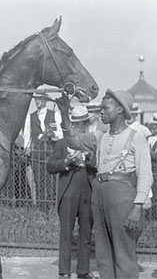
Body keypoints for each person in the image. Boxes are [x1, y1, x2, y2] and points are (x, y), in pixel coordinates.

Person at [56, 89, 153, 279]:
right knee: (103, 249)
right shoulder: (100, 136)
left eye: (105, 108)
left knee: (123, 248)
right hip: (99, 193)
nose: (101, 112)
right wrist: (65, 114)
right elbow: (73, 140)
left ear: (119, 109)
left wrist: (137, 206)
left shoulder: (136, 137)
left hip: (122, 194)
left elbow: (145, 175)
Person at [46, 106, 96, 279]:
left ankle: (83, 271)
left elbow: (101, 166)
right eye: (75, 124)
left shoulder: (92, 142)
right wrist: (66, 161)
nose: (79, 128)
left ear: (87, 124)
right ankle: (64, 272)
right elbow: (50, 166)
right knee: (66, 234)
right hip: (68, 193)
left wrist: (89, 159)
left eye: (82, 124)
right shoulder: (62, 142)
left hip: (88, 192)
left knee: (86, 233)